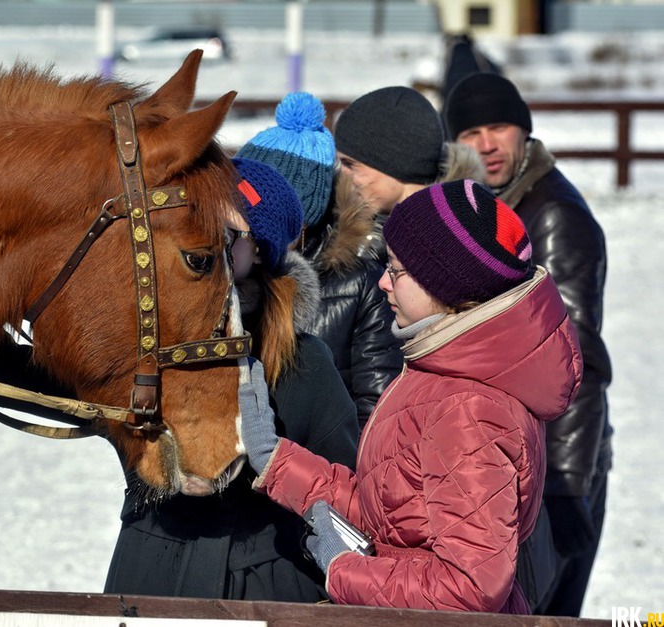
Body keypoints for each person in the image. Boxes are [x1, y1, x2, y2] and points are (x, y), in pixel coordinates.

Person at [239, 179, 584, 614]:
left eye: (397, 270)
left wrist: (342, 568)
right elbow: (392, 512)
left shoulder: (469, 411)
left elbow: (469, 589)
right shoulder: (440, 374)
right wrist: (275, 461)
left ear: (448, 286)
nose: (383, 282)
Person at [103, 158, 360, 601]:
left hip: (267, 585)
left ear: (259, 248)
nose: (203, 237)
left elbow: (347, 489)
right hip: (148, 571)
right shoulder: (147, 339)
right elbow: (45, 386)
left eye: (224, 230)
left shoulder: (305, 362)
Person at [444, 73, 613, 617]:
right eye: (471, 131)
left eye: (500, 127)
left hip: (559, 470)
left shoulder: (553, 217)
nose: (487, 144)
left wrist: (565, 487)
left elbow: (575, 361)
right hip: (515, 463)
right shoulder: (484, 210)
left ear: (524, 133)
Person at [239, 87, 482, 430]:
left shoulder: (380, 263)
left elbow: (380, 398)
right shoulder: (347, 244)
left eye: (352, 164)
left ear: (395, 163)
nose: (344, 177)